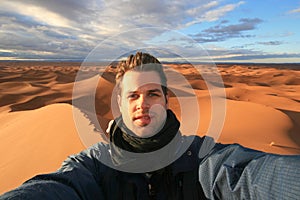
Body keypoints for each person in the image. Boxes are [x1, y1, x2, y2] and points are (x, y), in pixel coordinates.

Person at [1, 52, 300, 200]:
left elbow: (245, 174)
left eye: (152, 94)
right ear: (119, 103)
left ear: (167, 100)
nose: (142, 104)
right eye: (132, 95)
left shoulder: (198, 156)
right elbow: (60, 187)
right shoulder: (95, 165)